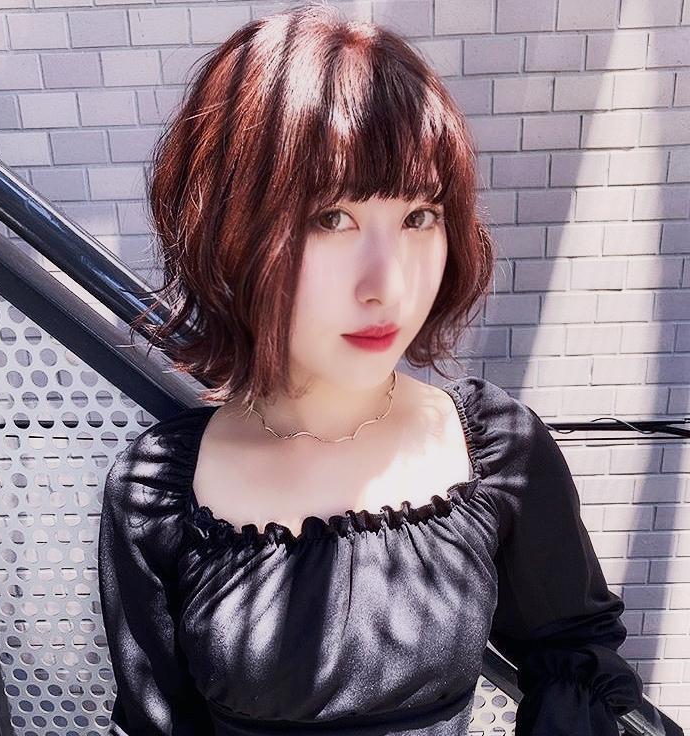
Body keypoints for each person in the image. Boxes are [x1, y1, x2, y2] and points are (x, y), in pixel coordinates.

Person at [97, 3, 645, 734]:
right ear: (230, 232)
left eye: (420, 217)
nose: (389, 283)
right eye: (332, 218)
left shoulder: (495, 449)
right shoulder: (159, 493)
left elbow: (572, 660)